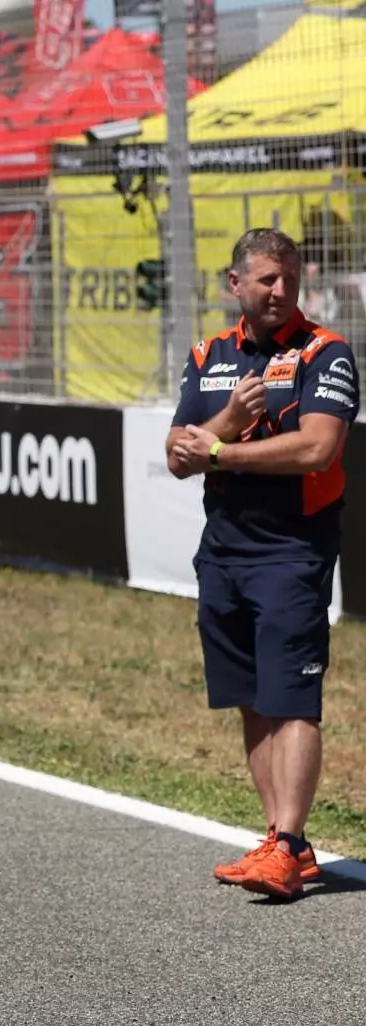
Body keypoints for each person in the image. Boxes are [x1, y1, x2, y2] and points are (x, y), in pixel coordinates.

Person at [167, 227, 357, 900]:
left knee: (292, 696)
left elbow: (316, 449)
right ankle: (279, 839)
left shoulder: (325, 351)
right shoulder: (209, 355)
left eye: (290, 279)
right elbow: (176, 453)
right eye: (268, 280)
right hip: (222, 550)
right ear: (235, 285)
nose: (281, 291)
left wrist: (219, 451)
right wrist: (225, 421)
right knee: (249, 697)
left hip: (292, 550)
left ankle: (291, 841)